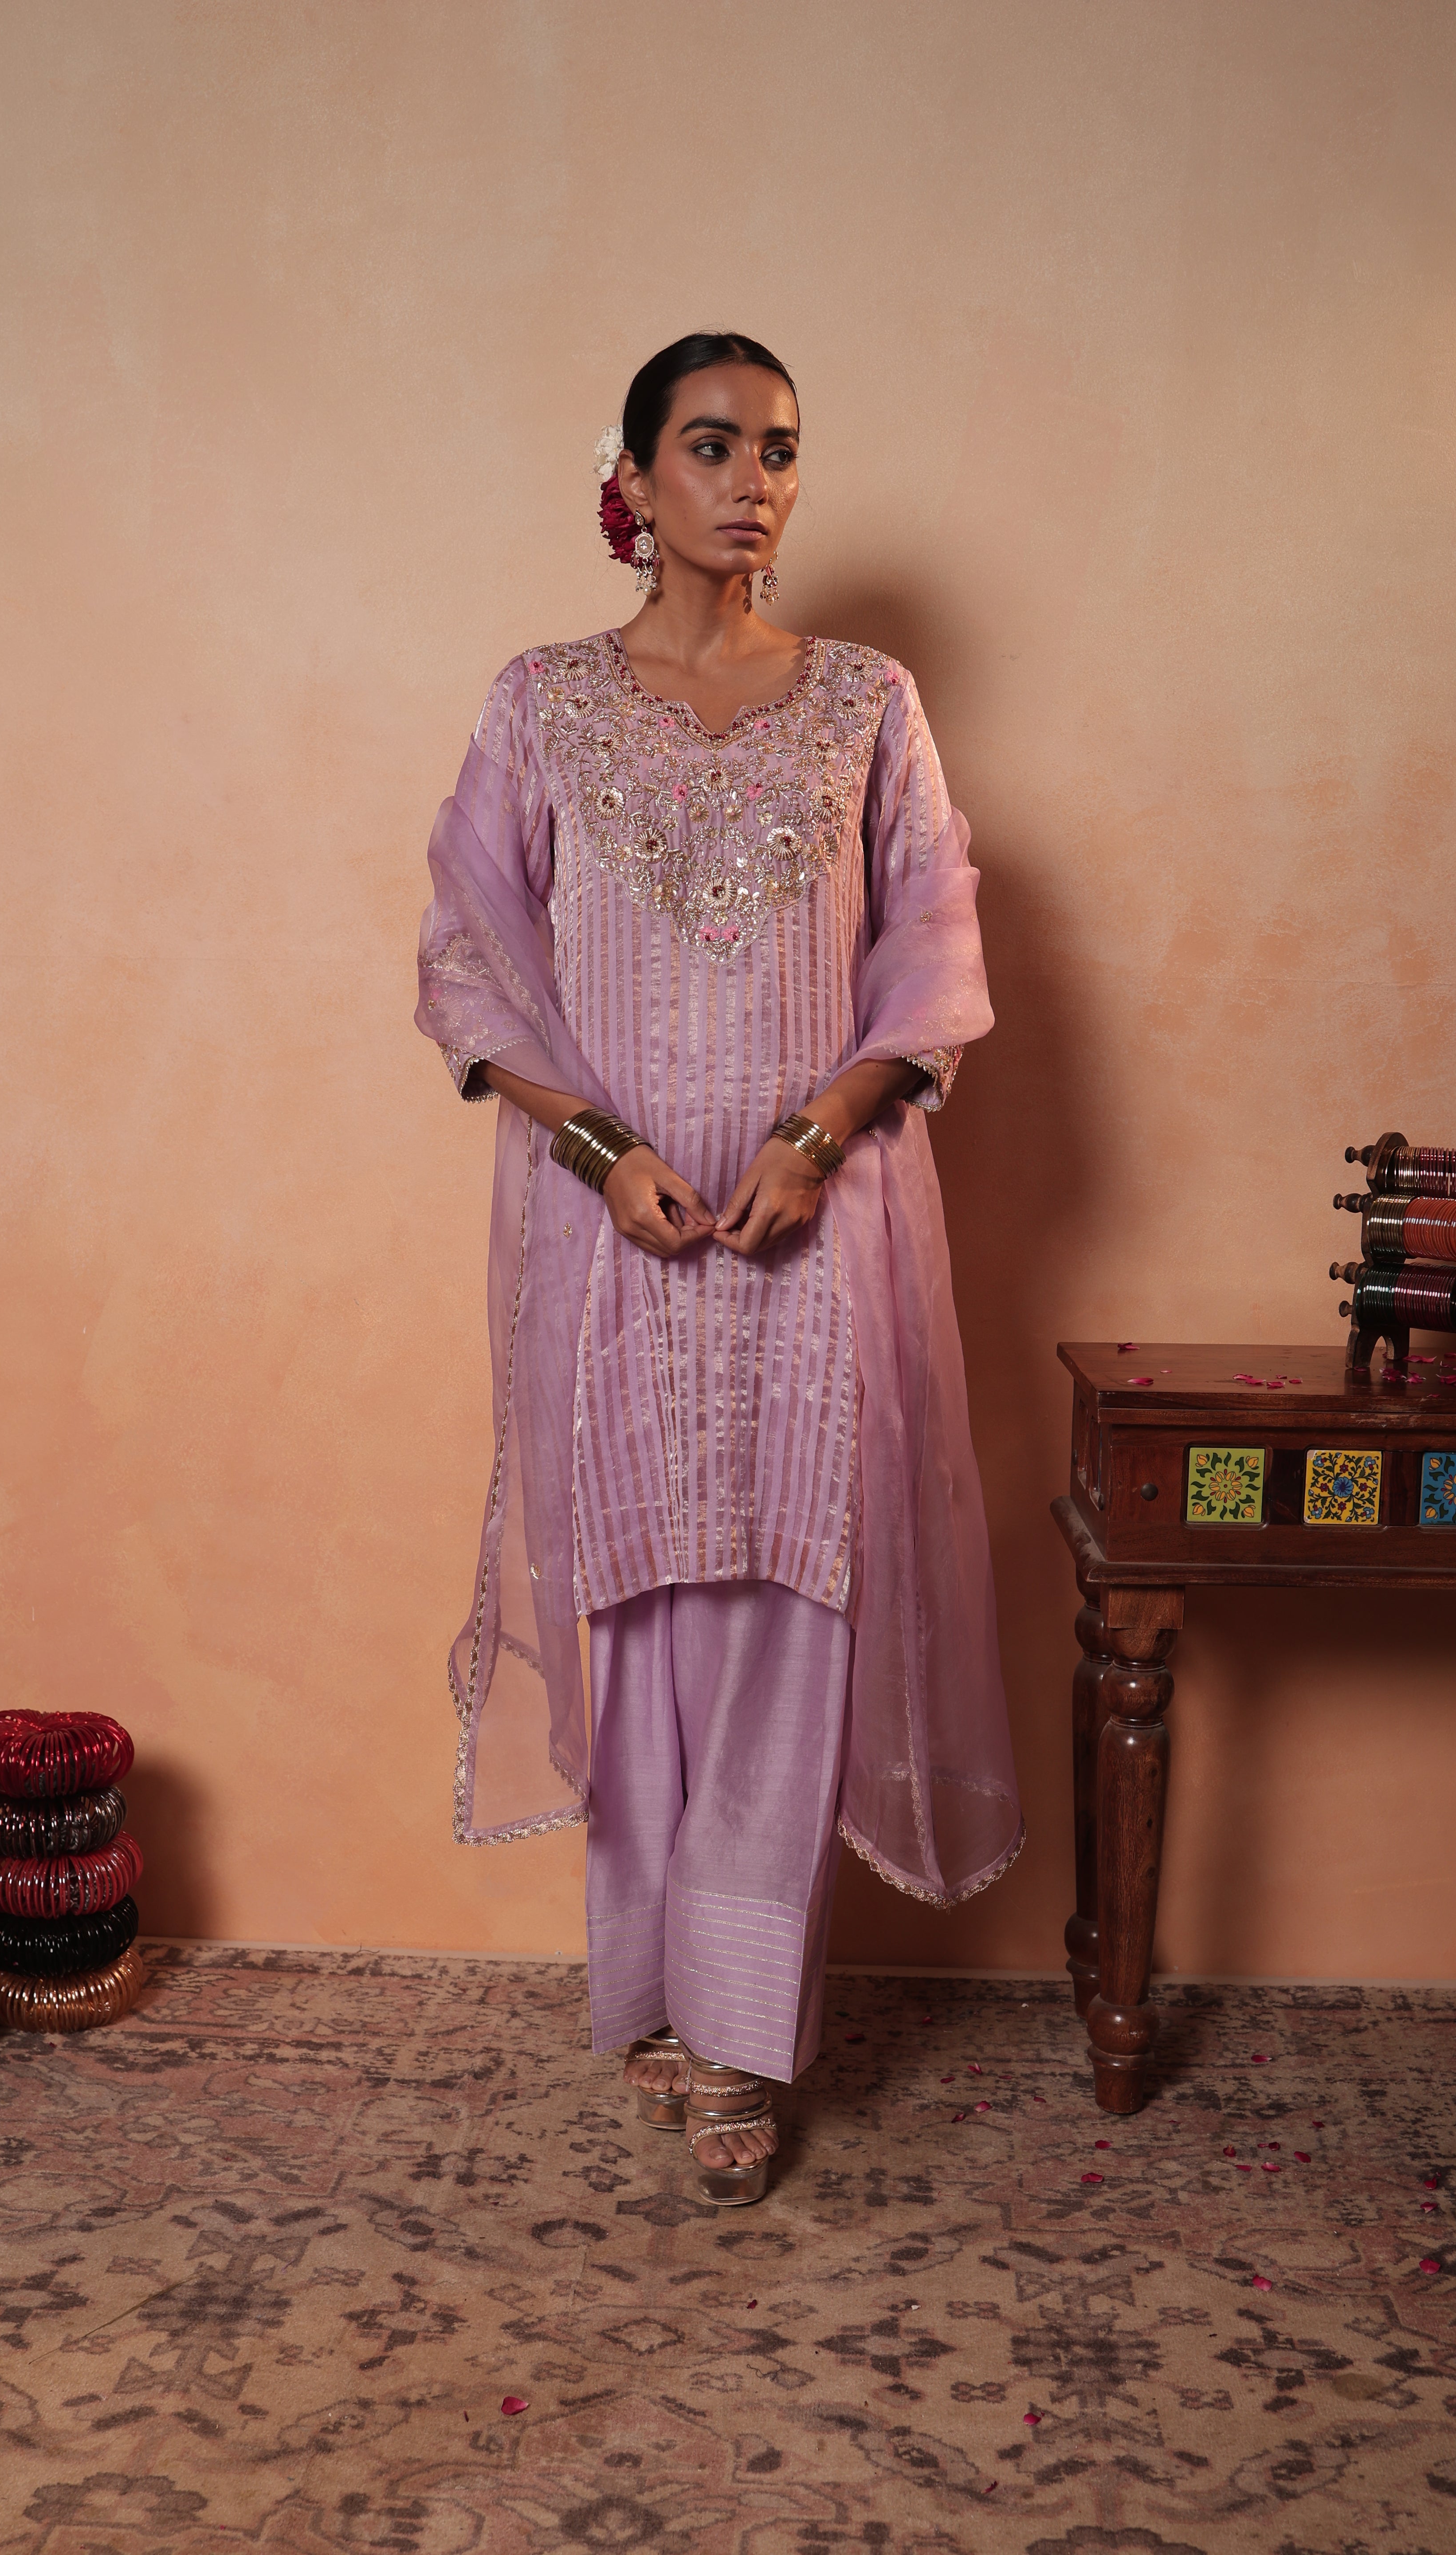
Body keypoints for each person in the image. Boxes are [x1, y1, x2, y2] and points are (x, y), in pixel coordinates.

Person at [416, 332, 1019, 2205]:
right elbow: (467, 960)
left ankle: (744, 2034)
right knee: (643, 1607)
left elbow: (933, 950)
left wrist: (816, 1137)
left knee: (791, 1606)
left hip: (811, 1232)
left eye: (780, 450)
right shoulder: (540, 704)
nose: (754, 482)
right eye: (712, 445)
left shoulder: (868, 705)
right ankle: (660, 1999)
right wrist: (603, 1155)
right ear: (633, 478)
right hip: (614, 1238)